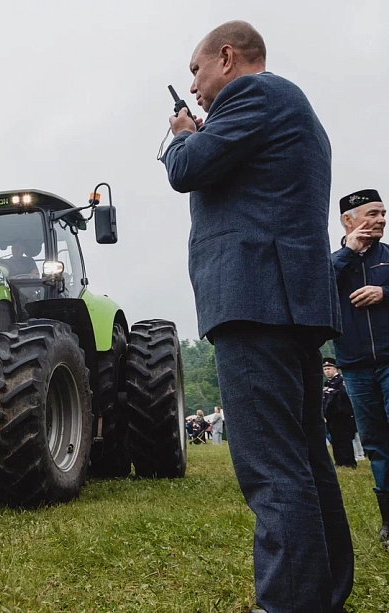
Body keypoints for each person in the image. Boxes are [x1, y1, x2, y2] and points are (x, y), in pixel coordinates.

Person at [161, 21, 352, 613]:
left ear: (226, 57)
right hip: (287, 304)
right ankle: (322, 594)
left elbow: (186, 171)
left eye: (196, 69)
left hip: (253, 300)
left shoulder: (255, 95)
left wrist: (181, 137)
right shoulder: (292, 107)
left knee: (270, 468)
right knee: (303, 458)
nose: (193, 84)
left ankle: (291, 603)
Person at [331, 188, 389, 549]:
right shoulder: (335, 262)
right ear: (348, 221)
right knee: (376, 444)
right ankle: (388, 522)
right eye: (372, 213)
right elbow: (315, 289)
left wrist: (385, 293)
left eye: (383, 213)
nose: (381, 220)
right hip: (353, 366)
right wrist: (348, 252)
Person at [321, 357, 357, 469]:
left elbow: (343, 397)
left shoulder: (341, 381)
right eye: (325, 369)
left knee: (344, 439)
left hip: (342, 415)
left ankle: (349, 461)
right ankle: (339, 461)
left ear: (335, 368)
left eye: (329, 368)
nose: (327, 371)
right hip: (331, 416)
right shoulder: (327, 383)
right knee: (335, 439)